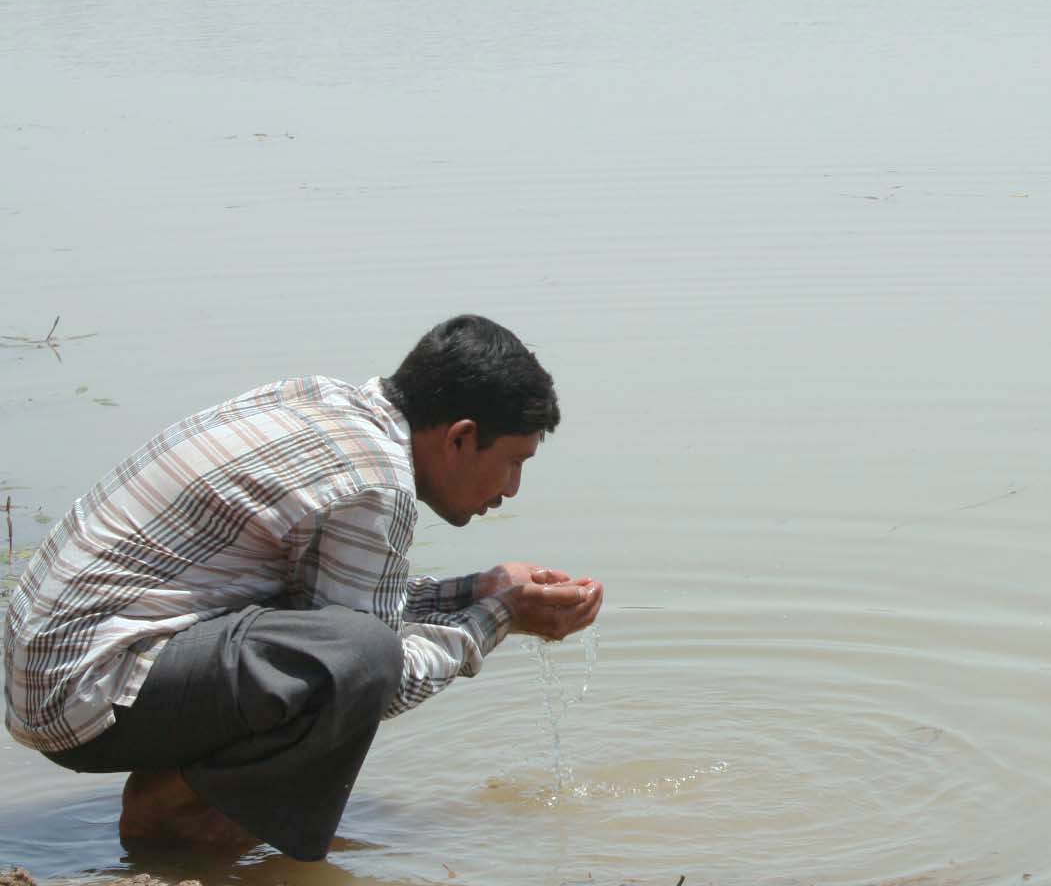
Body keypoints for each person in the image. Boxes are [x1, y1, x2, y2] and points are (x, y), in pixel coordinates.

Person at [1, 315, 602, 861]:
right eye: (515, 461)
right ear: (461, 438)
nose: (513, 490)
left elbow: (335, 609)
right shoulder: (377, 487)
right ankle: (178, 814)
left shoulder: (324, 403)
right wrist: (497, 619)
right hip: (78, 693)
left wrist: (479, 589)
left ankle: (198, 807)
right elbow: (376, 672)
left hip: (56, 667)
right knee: (362, 656)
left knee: (345, 640)